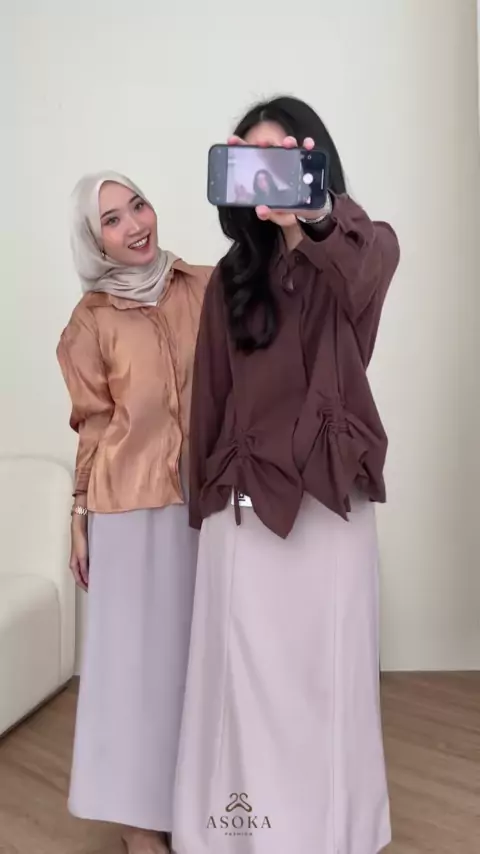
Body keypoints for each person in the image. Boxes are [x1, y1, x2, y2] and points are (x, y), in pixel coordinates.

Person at [173, 96, 400, 854]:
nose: (268, 178)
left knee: (327, 676)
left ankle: (331, 832)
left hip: (329, 503)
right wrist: (200, 509)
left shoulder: (364, 248)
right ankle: (240, 834)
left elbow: (361, 276)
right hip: (243, 505)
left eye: (284, 158)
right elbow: (209, 399)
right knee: (242, 678)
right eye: (253, 161)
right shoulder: (230, 281)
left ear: (313, 161)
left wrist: (316, 217)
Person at [57, 171, 211, 854]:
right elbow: (93, 425)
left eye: (137, 206)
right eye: (113, 220)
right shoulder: (90, 321)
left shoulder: (203, 287)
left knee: (194, 659)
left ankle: (194, 798)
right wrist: (78, 514)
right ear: (96, 242)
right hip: (127, 507)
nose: (134, 225)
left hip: (204, 502)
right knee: (131, 666)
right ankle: (136, 820)